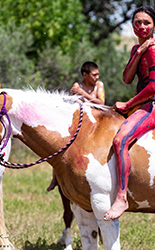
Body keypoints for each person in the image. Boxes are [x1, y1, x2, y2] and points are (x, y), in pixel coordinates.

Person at [104, 6, 155, 221]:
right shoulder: (139, 49)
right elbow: (127, 78)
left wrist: (127, 104)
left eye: (146, 23)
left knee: (120, 140)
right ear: (132, 25)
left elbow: (151, 88)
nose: (142, 26)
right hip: (140, 106)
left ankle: (122, 197)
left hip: (151, 107)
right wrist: (138, 52)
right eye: (137, 22)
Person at [47, 61, 105, 191]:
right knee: (60, 146)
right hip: (80, 121)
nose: (97, 78)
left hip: (96, 122)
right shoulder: (77, 85)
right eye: (94, 75)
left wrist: (83, 94)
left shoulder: (99, 85)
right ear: (85, 75)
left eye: (97, 74)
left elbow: (101, 102)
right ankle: (56, 178)